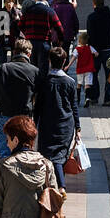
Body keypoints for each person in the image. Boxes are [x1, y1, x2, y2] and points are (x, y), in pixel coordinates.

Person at [34, 46, 81, 190]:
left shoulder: (44, 82)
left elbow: (38, 106)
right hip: (66, 125)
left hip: (47, 124)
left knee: (47, 156)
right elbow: (74, 106)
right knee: (60, 157)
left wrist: (34, 124)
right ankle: (60, 187)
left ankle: (50, 187)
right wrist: (77, 127)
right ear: (64, 61)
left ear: (49, 61)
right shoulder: (70, 82)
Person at [0, 38, 39, 157]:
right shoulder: (35, 71)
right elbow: (39, 95)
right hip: (25, 117)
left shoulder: (3, 68)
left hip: (6, 114)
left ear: (14, 52)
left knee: (5, 153)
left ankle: (6, 174)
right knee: (25, 152)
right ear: (29, 54)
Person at [20, 0, 64, 71]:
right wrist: (60, 40)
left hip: (30, 42)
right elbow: (59, 27)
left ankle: (33, 83)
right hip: (44, 42)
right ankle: (42, 83)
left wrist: (27, 34)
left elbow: (20, 25)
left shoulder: (28, 10)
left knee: (32, 66)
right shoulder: (49, 11)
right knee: (43, 67)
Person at [74, 31, 98, 106]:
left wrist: (68, 66)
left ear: (79, 40)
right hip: (89, 69)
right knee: (88, 84)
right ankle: (87, 98)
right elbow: (96, 54)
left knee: (79, 84)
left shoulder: (77, 49)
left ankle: (78, 100)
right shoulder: (90, 47)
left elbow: (73, 58)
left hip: (80, 69)